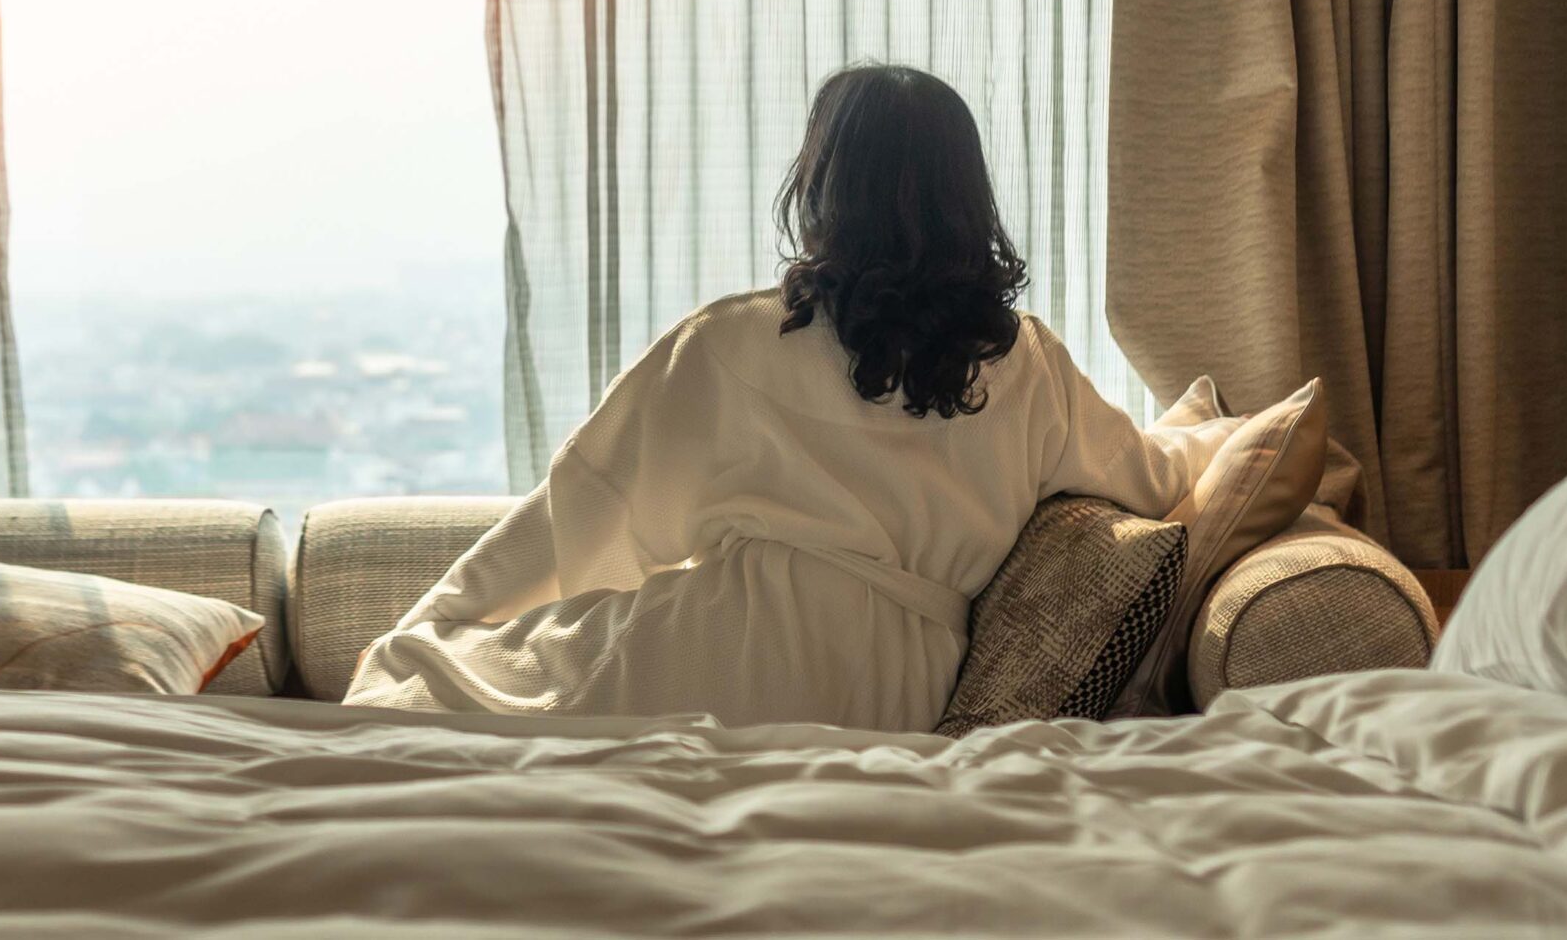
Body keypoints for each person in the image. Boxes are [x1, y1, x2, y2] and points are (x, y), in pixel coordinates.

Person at [345, 62, 1237, 733]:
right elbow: (1152, 478)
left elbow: (582, 507)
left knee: (422, 678)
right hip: (903, 682)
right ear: (968, 195)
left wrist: (440, 623)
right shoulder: (1025, 364)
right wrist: (1227, 433)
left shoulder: (732, 342)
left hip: (725, 644)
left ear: (823, 184)